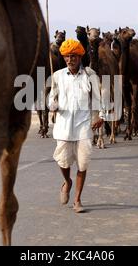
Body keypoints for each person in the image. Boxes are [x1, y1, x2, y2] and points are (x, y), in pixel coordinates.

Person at [48, 39, 105, 213]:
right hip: (64, 125)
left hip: (84, 125)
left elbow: (97, 97)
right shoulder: (57, 76)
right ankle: (67, 181)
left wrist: (100, 115)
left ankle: (77, 200)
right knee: (63, 161)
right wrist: (53, 105)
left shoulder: (89, 75)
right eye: (67, 56)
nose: (70, 59)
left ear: (80, 56)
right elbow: (51, 99)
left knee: (83, 163)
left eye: (73, 56)